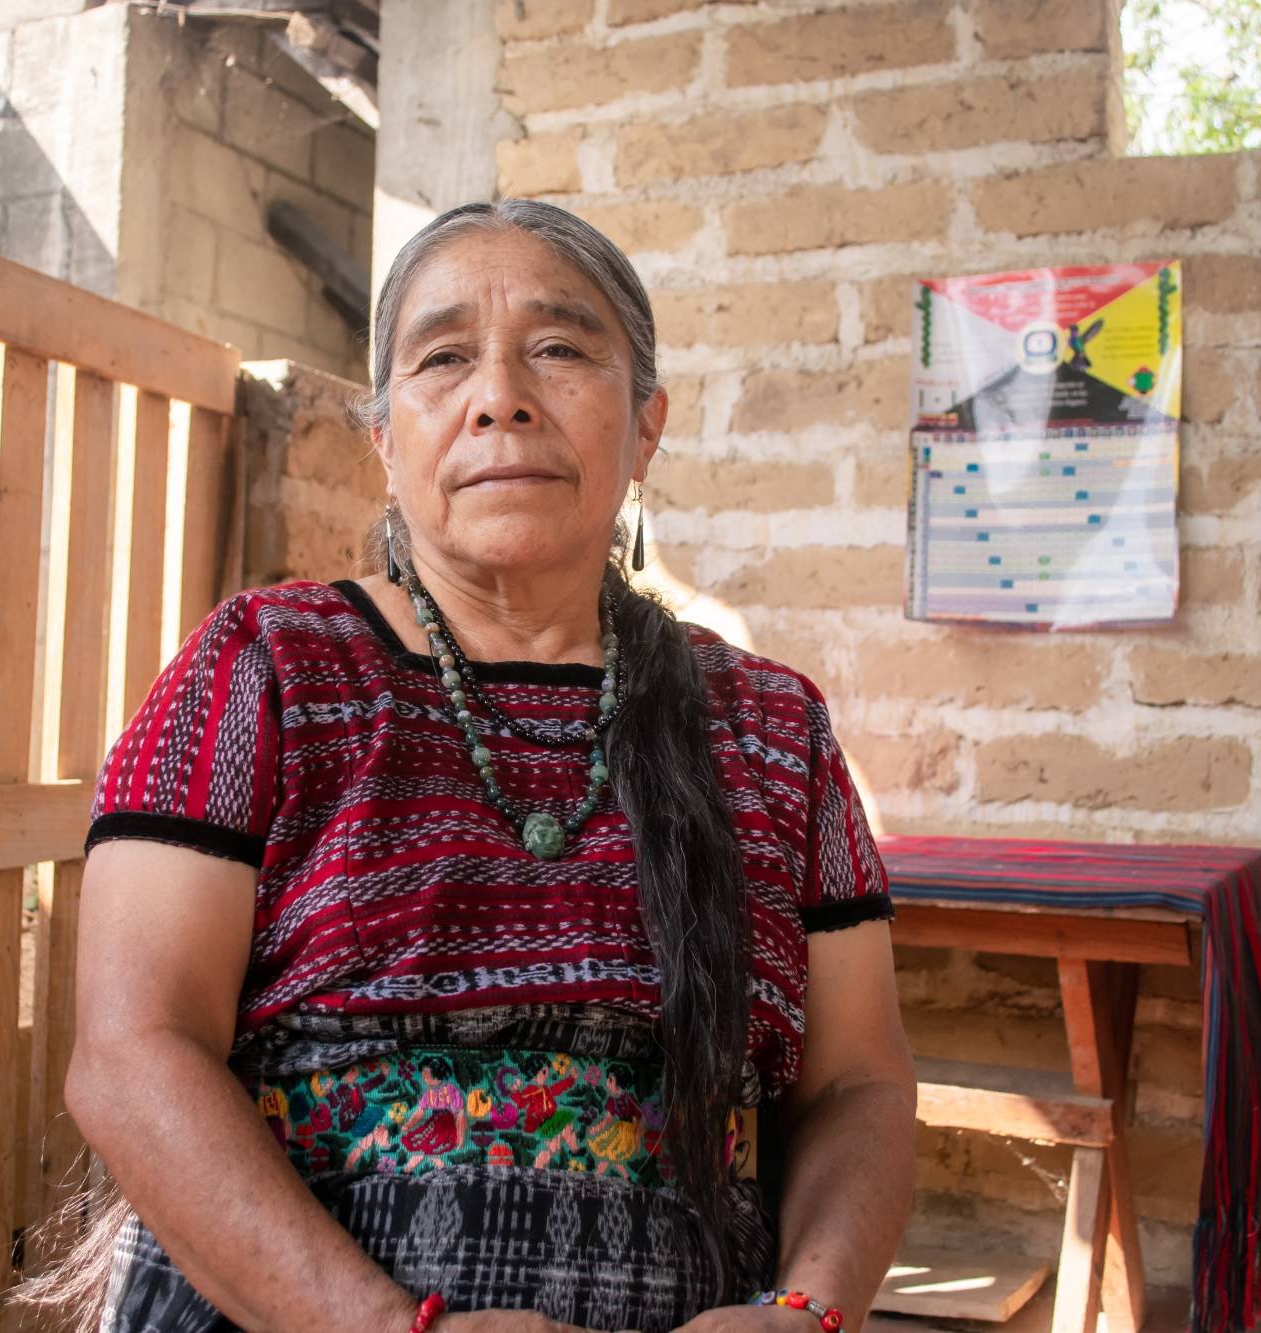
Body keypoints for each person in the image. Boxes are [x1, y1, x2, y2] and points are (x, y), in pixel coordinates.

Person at [51, 200, 917, 1333]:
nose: (498, 395)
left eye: (559, 349)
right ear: (384, 438)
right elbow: (130, 1053)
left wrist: (806, 1310)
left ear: (645, 423)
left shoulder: (770, 727)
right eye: (443, 356)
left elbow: (860, 1084)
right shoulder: (263, 670)